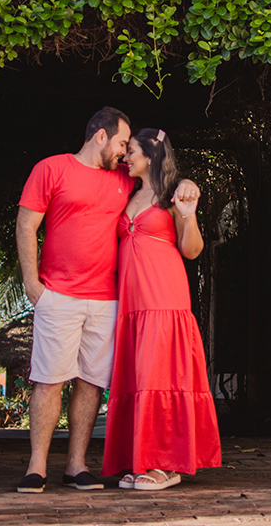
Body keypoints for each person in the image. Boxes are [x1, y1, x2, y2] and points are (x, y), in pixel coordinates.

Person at [15, 108, 199, 494]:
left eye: (129, 149)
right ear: (101, 136)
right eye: (121, 144)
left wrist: (188, 186)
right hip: (61, 294)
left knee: (91, 383)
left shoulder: (125, 181)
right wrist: (32, 283)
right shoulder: (52, 169)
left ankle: (77, 467)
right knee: (48, 380)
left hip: (109, 300)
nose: (123, 154)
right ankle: (37, 468)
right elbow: (26, 223)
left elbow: (165, 181)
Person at [101, 128, 222, 491]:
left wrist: (189, 214)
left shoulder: (174, 197)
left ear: (152, 156)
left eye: (132, 151)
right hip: (132, 306)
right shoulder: (127, 193)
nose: (126, 157)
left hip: (163, 300)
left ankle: (166, 465)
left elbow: (192, 250)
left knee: (161, 377)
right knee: (139, 379)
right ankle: (141, 459)